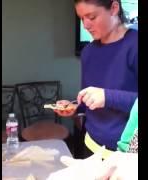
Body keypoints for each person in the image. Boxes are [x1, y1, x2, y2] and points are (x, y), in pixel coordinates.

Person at [54, 0, 138, 159]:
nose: (85, 25)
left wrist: (108, 97)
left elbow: (105, 96)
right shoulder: (88, 52)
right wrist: (74, 106)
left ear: (114, 8)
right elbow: (88, 101)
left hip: (127, 158)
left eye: (91, 17)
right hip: (90, 146)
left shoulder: (134, 45)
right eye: (81, 18)